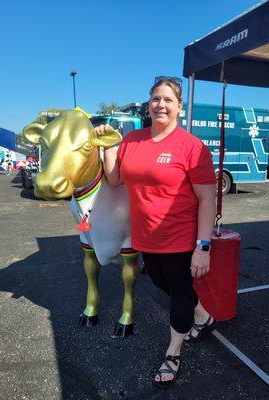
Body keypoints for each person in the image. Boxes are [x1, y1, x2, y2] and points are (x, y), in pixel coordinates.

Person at [96, 77, 216, 388]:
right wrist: (109, 146)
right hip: (146, 235)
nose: (160, 104)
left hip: (179, 236)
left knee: (178, 292)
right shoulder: (132, 140)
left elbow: (207, 199)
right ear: (149, 105)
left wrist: (203, 246)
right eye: (155, 99)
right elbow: (114, 181)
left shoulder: (192, 147)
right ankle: (203, 316)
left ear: (179, 107)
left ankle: (173, 352)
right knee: (165, 284)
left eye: (167, 99)